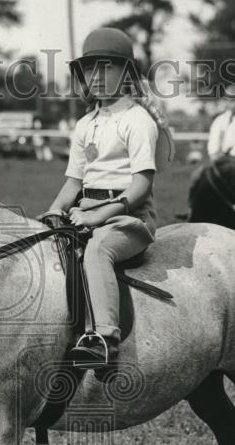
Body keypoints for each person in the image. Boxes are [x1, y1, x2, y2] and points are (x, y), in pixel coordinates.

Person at [44, 27, 163, 369]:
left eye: (105, 68)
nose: (94, 77)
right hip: (86, 210)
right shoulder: (85, 124)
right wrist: (55, 209)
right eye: (88, 69)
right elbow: (73, 182)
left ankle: (105, 339)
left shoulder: (138, 120)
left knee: (97, 251)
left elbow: (141, 186)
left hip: (130, 217)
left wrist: (100, 216)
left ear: (126, 72)